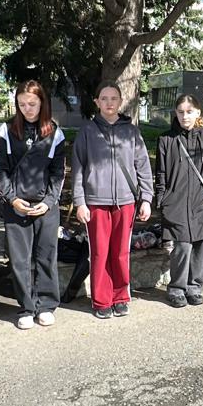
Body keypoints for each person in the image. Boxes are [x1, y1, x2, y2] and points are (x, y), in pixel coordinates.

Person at [70, 82, 153, 320]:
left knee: (120, 253)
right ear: (97, 102)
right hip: (95, 202)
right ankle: (101, 300)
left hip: (125, 201)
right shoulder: (87, 131)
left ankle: (120, 297)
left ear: (120, 101)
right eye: (104, 98)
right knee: (99, 253)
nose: (109, 103)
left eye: (114, 98)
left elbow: (143, 166)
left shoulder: (131, 132)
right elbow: (78, 168)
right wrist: (80, 202)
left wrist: (146, 198)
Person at [0, 80, 66, 330]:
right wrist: (12, 199)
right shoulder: (5, 131)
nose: (27, 109)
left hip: (45, 207)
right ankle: (26, 307)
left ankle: (46, 306)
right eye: (22, 104)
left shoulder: (54, 132)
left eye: (32, 104)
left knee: (46, 256)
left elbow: (58, 173)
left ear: (42, 103)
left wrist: (49, 202)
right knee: (19, 260)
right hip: (16, 206)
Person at [154, 95, 203, 307]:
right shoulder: (166, 140)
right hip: (176, 202)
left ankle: (194, 287)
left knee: (202, 244)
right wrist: (161, 200)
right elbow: (160, 174)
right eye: (181, 112)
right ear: (175, 113)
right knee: (183, 245)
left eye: (189, 112)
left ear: (198, 113)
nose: (185, 116)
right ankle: (176, 288)